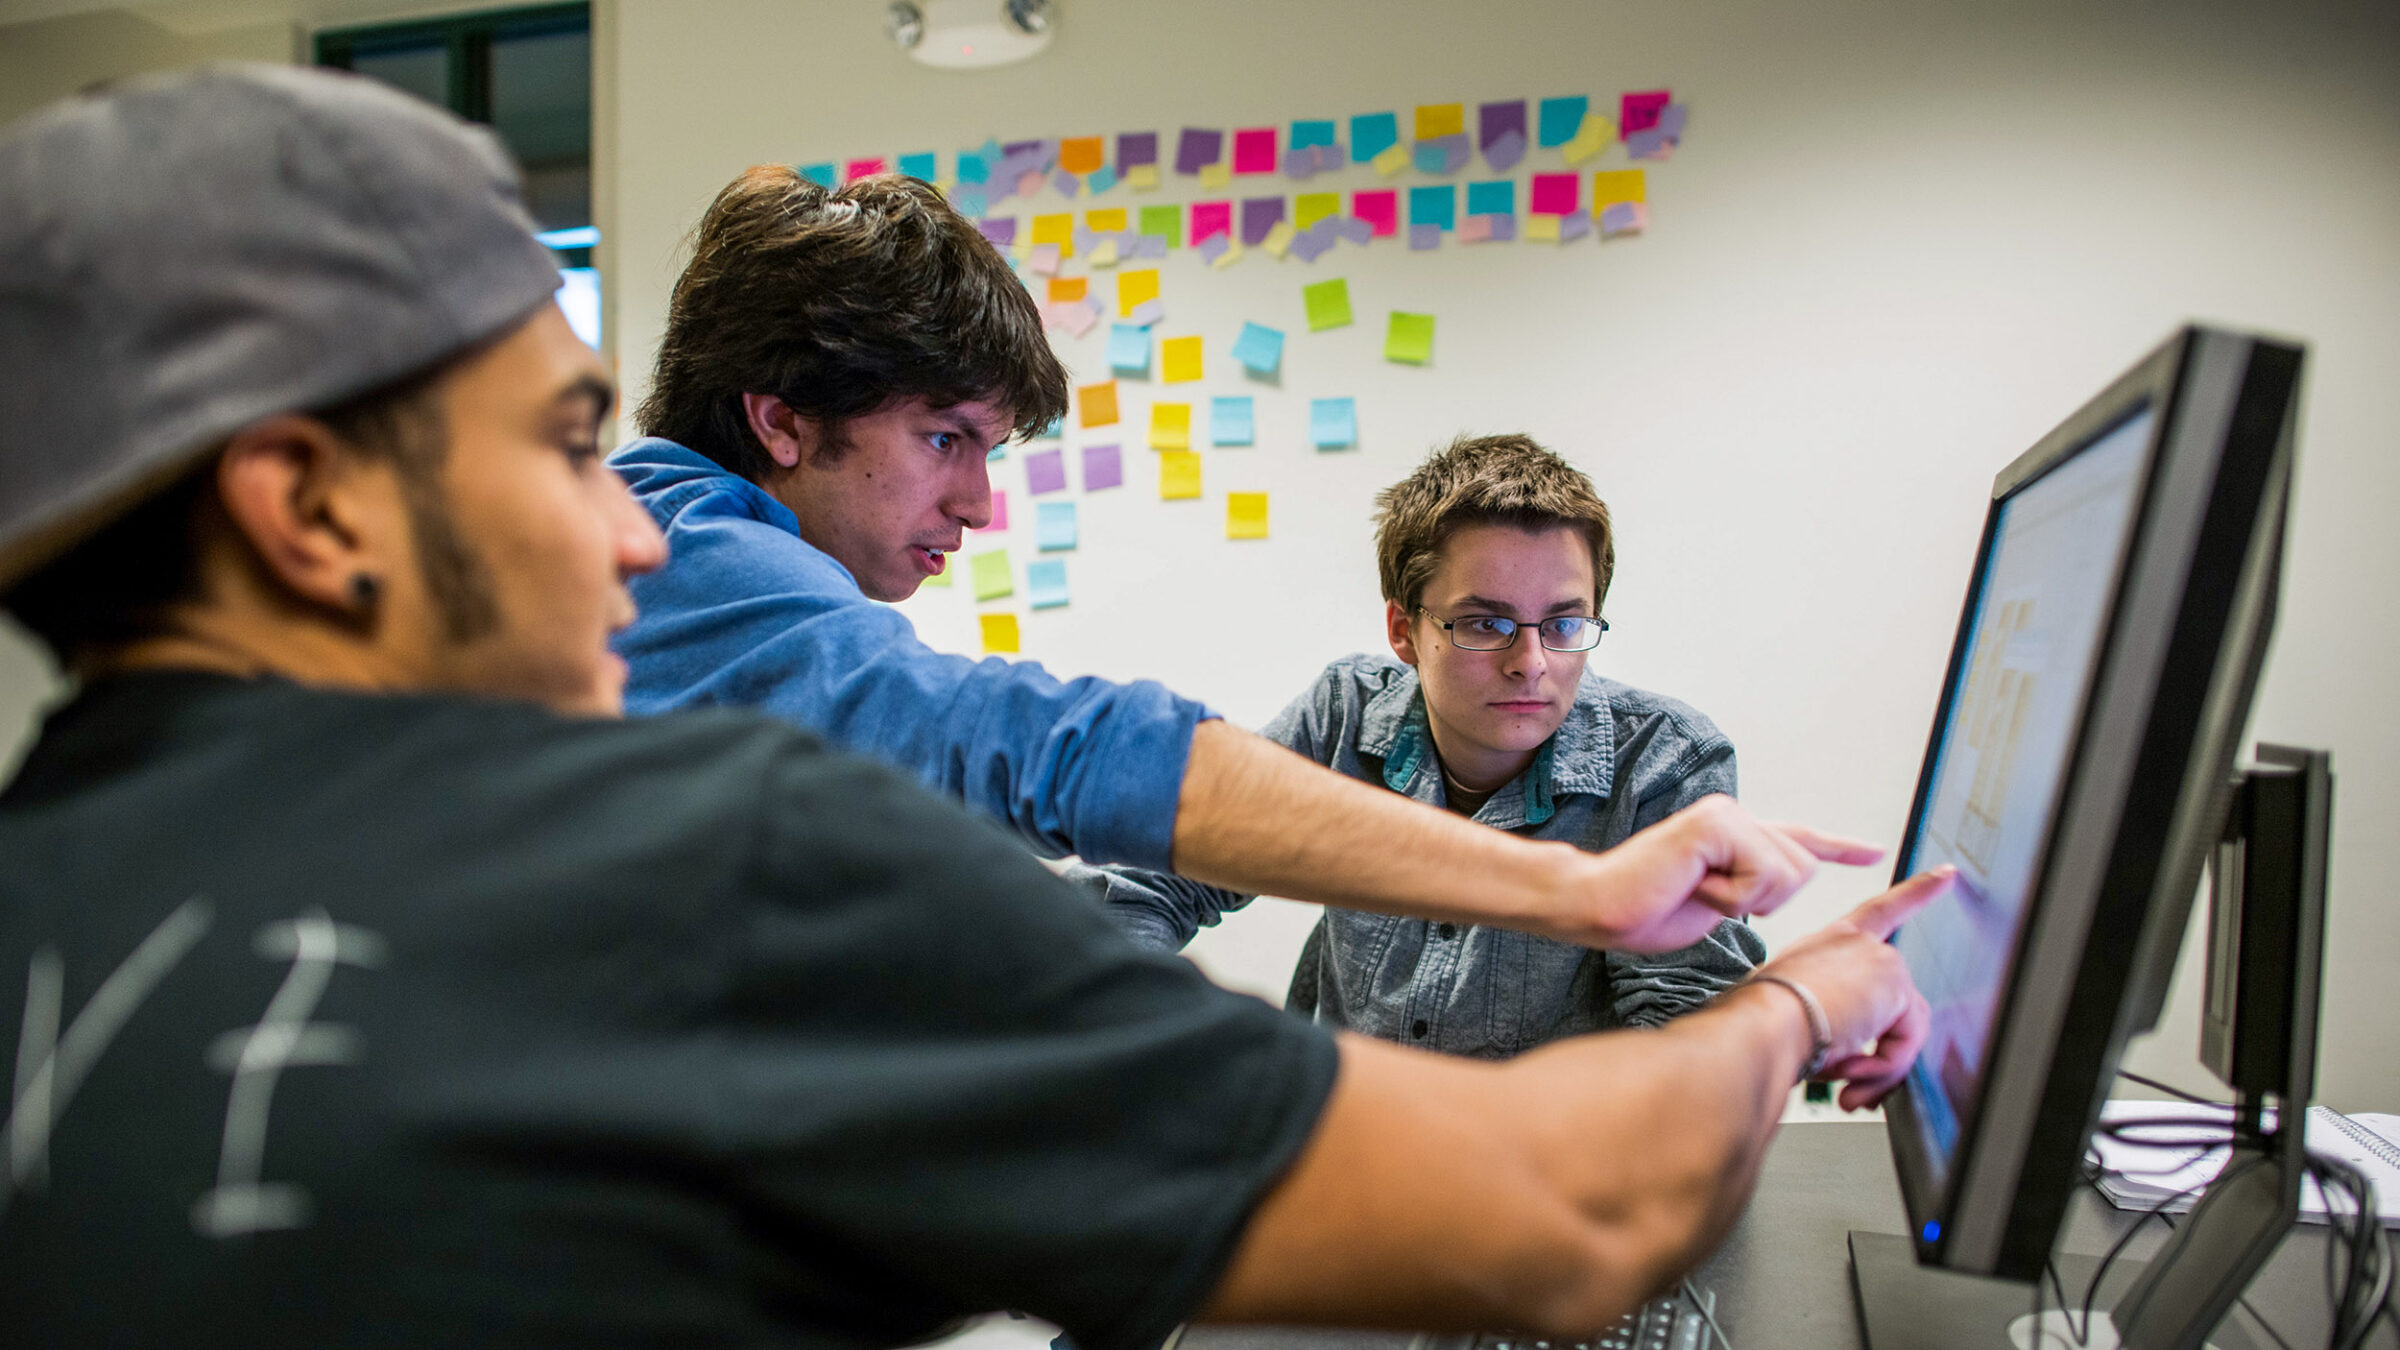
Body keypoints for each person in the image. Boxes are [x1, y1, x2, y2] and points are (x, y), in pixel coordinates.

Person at [0, 66, 1945, 1348]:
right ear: (306, 509)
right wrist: (1816, 991)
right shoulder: (724, 854)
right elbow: (1570, 1209)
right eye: (569, 442)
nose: (632, 540)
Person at [607, 167, 1866, 962]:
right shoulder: (694, 565)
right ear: (780, 418)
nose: (979, 505)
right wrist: (1574, 892)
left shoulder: (681, 546)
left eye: (1565, 624)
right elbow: (1053, 754)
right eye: (945, 439)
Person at [1079, 436, 1761, 1057]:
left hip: (1556, 1166)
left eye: (1563, 623)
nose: (1531, 662)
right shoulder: (1344, 716)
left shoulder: (1666, 764)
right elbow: (1150, 882)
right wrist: (1156, 1041)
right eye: (1484, 623)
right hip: (1354, 1145)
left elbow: (1692, 1039)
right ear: (1405, 631)